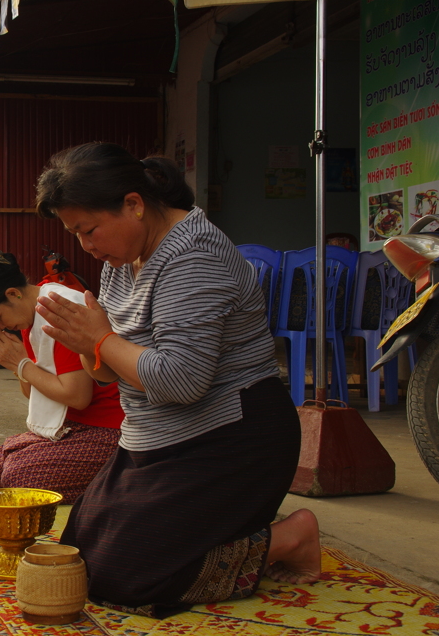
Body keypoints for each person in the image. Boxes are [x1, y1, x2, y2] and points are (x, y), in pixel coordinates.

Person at [32, 142, 320, 618]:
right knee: (79, 556)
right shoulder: (118, 264)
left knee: (130, 578)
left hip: (233, 436)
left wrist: (100, 339)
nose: (85, 245)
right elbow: (109, 371)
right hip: (154, 439)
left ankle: (291, 538)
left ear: (133, 204)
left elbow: (183, 380)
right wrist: (87, 345)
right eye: (75, 233)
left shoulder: (195, 255)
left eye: (89, 230)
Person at [0, 246, 123, 505]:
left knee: (18, 477)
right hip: (71, 425)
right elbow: (33, 390)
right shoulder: (27, 315)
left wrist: (21, 364)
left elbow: (78, 397)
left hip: (107, 428)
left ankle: (118, 482)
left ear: (13, 294)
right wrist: (15, 365)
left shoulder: (57, 309)